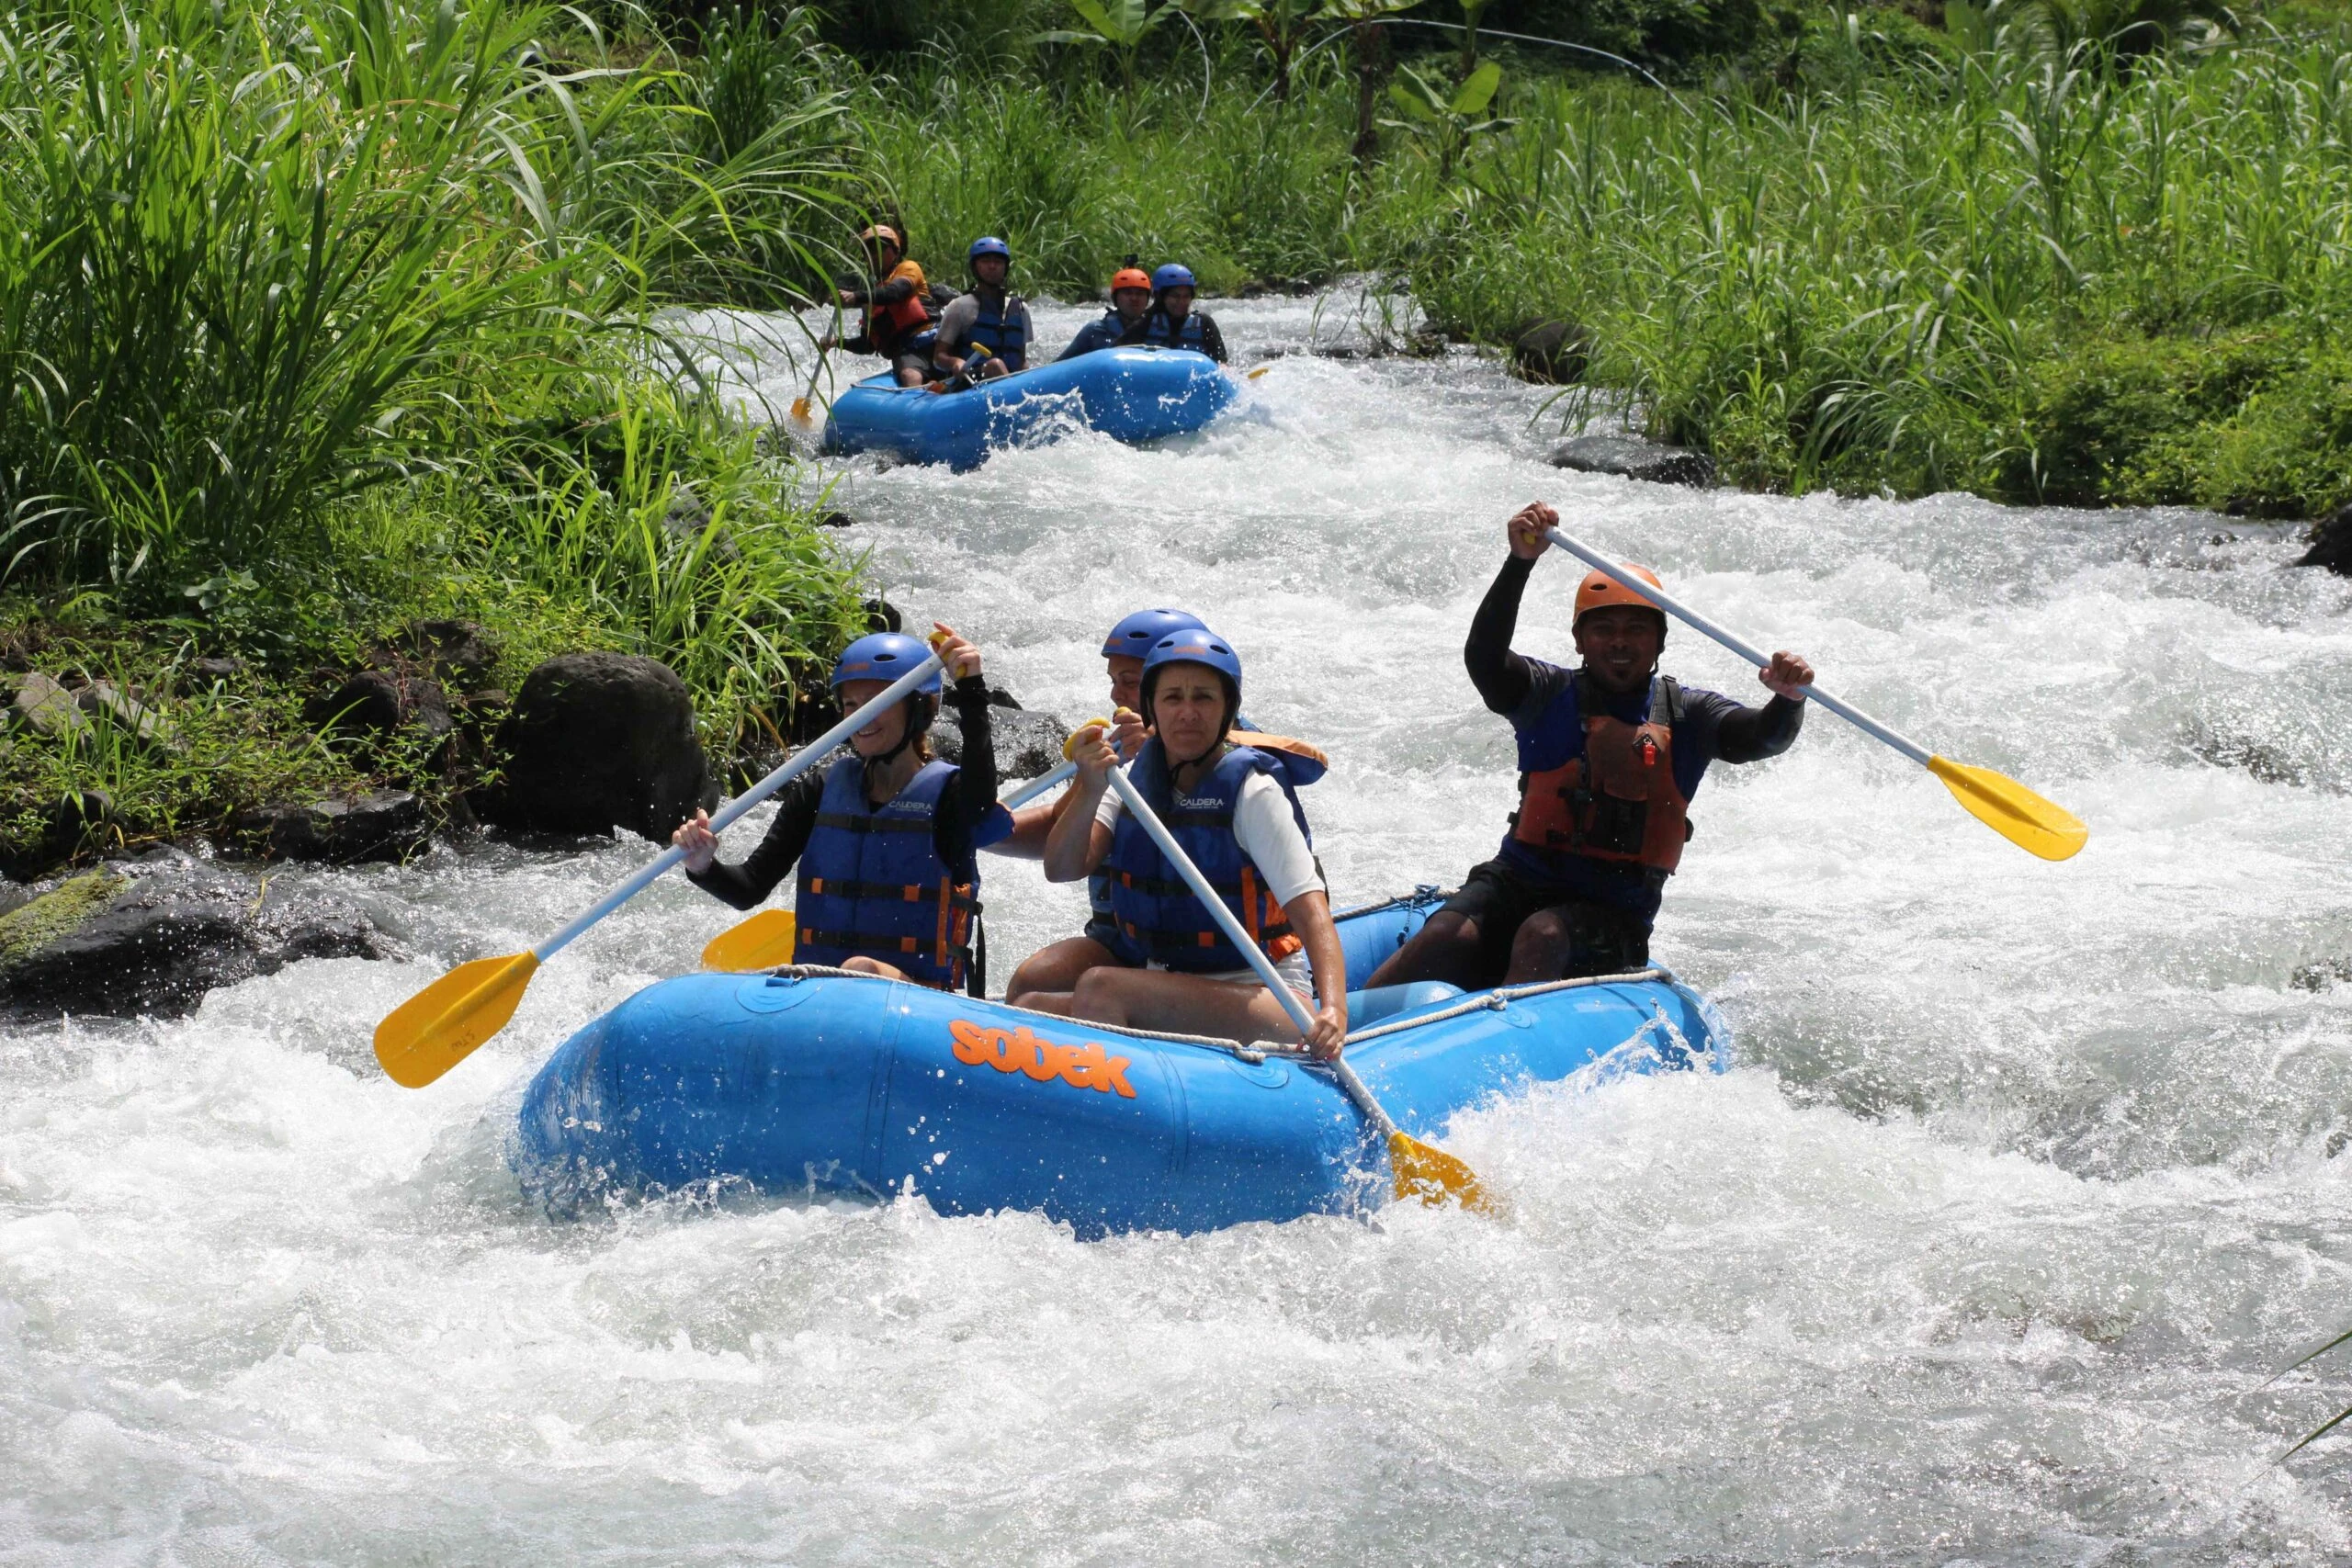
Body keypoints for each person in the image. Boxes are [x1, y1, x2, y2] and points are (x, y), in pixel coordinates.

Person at [1365, 501, 1815, 993]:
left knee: (1543, 936)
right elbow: (1484, 659)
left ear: (1660, 643)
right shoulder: (1545, 694)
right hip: (1516, 881)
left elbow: (1762, 737)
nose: (1619, 642)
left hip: (1613, 912)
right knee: (1443, 936)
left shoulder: (1689, 715)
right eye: (1603, 629)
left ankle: (1502, 1045)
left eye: (1636, 629)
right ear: (1579, 640)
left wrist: (1787, 700)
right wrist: (1520, 563)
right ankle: (1335, 1032)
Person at [1025, 627, 1348, 1056]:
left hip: (1267, 995)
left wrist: (1335, 1012)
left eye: (1204, 698)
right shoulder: (1131, 778)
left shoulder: (1252, 791)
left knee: (1101, 988)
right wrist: (1088, 787)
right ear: (1152, 708)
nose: (1188, 713)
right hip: (1170, 982)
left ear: (1226, 709)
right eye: (1173, 698)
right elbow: (1061, 868)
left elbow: (1312, 913)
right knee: (1029, 1005)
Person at [673, 626, 1008, 990]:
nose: (862, 717)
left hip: (918, 1000)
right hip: (823, 993)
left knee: (859, 966)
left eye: (879, 701)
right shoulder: (818, 791)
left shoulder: (952, 798)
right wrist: (702, 865)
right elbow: (749, 889)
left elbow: (981, 798)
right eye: (851, 704)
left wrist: (972, 690)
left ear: (920, 709)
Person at [1000, 608, 1211, 999]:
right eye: (1114, 681)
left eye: (1128, 682)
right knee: (1034, 981)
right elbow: (1061, 827)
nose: (1115, 695)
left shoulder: (1233, 752)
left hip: (1208, 948)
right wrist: (984, 832)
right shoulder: (1116, 750)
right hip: (1124, 941)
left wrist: (1167, 761)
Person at [817, 225, 935, 388]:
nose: (874, 255)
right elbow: (868, 345)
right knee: (909, 374)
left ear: (895, 250)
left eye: (880, 248)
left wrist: (856, 296)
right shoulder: (870, 301)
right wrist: (837, 342)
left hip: (935, 339)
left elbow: (895, 292)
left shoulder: (908, 268)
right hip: (907, 352)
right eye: (868, 251)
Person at [932, 236, 1034, 386]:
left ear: (1005, 267)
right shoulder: (959, 306)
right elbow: (939, 356)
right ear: (975, 267)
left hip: (1011, 383)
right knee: (995, 365)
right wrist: (955, 361)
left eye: (998, 262)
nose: (992, 266)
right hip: (969, 382)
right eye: (985, 261)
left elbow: (1021, 360)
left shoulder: (1021, 309)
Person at [1120, 264, 1227, 364]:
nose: (1181, 302)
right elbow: (1118, 354)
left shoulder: (1204, 323)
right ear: (1161, 297)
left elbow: (1221, 363)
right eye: (1175, 296)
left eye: (1186, 296)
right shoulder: (1145, 322)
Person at [1056, 266, 1154, 362]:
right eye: (1127, 293)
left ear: (1147, 299)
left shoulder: (1157, 330)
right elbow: (1058, 366)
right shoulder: (1095, 331)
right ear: (1115, 299)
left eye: (1140, 294)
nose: (1134, 298)